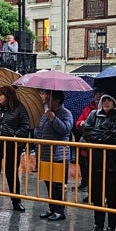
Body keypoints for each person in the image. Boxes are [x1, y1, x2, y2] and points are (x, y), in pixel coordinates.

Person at [81, 93, 116, 231]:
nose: (106, 102)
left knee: (112, 197)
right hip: (95, 162)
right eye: (104, 100)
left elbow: (115, 136)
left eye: (109, 100)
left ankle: (111, 229)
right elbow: (86, 131)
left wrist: (97, 137)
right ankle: (98, 226)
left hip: (113, 164)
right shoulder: (93, 114)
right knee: (97, 196)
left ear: (114, 103)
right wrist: (100, 136)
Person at [0, 84, 29, 212]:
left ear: (8, 96)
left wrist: (14, 135)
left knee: (11, 173)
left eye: (1, 94)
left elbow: (25, 126)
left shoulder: (19, 109)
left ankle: (16, 201)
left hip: (11, 146)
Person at [35, 89, 73, 221]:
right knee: (48, 183)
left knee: (58, 184)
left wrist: (53, 119)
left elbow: (65, 130)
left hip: (59, 155)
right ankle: (52, 208)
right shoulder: (45, 113)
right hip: (45, 154)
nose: (44, 97)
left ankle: (59, 210)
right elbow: (40, 129)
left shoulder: (65, 113)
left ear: (56, 99)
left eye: (47, 95)